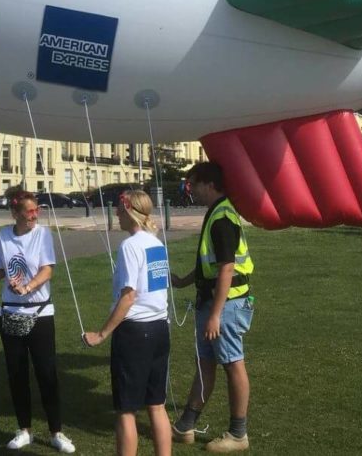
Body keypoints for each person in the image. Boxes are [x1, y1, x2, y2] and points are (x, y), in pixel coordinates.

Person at [0, 189, 75, 453]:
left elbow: (47, 269)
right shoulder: (3, 235)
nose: (35, 216)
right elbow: (0, 272)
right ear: (15, 213)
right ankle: (24, 429)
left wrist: (28, 287)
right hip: (10, 313)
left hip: (40, 314)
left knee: (46, 373)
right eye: (30, 212)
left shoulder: (42, 234)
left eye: (37, 210)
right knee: (17, 374)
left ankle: (56, 432)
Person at [170, 161, 254, 453]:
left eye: (193, 184)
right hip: (213, 302)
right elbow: (210, 265)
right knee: (205, 363)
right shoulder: (216, 213)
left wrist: (216, 315)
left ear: (209, 184)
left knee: (232, 363)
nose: (190, 190)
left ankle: (238, 434)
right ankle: (186, 425)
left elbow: (227, 269)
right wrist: (182, 282)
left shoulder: (222, 218)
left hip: (227, 304)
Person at [83, 190, 172, 456]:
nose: (117, 216)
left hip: (136, 332)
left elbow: (129, 296)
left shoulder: (130, 246)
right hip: (159, 328)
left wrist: (102, 333)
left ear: (129, 212)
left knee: (127, 409)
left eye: (120, 211)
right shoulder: (157, 243)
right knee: (156, 404)